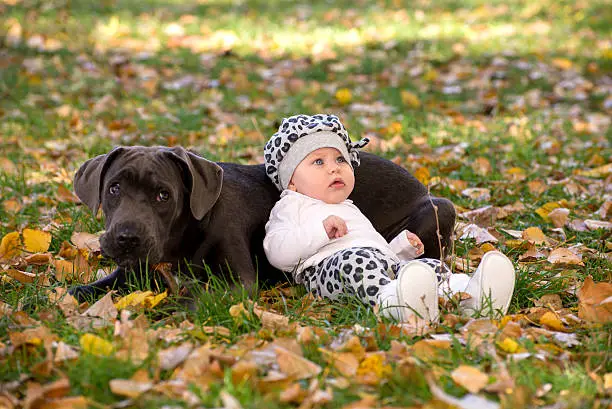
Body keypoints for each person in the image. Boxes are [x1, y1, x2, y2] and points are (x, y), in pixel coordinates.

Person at [263, 114, 515, 322]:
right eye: (318, 161)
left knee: (427, 267)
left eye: (341, 158)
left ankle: (467, 295)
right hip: (327, 272)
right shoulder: (291, 205)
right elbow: (276, 252)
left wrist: (401, 249)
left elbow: (377, 250)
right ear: (292, 182)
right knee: (357, 262)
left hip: (377, 263)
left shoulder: (349, 207)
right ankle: (392, 303)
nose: (334, 167)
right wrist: (320, 232)